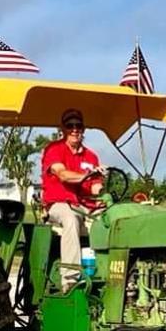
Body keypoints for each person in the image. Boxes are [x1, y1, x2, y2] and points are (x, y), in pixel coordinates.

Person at [41, 108, 105, 291]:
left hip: (85, 205)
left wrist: (102, 184)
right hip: (59, 204)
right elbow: (63, 175)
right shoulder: (54, 150)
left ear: (83, 129)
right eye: (70, 126)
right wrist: (86, 174)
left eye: (78, 125)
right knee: (71, 218)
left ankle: (112, 272)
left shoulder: (91, 156)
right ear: (63, 128)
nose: (74, 129)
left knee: (111, 218)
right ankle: (70, 278)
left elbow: (95, 187)